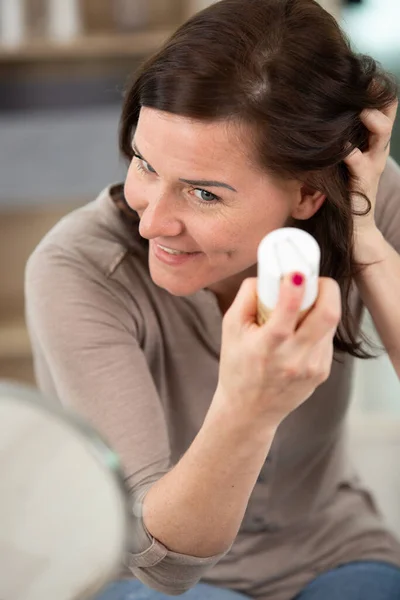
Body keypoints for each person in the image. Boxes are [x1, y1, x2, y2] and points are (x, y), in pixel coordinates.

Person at [24, 0, 400, 599]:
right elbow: (160, 565)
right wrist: (248, 408)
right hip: (136, 572)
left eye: (203, 193)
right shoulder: (79, 266)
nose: (153, 224)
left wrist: (368, 245)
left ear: (308, 193)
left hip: (329, 550)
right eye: (145, 165)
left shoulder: (360, 200)